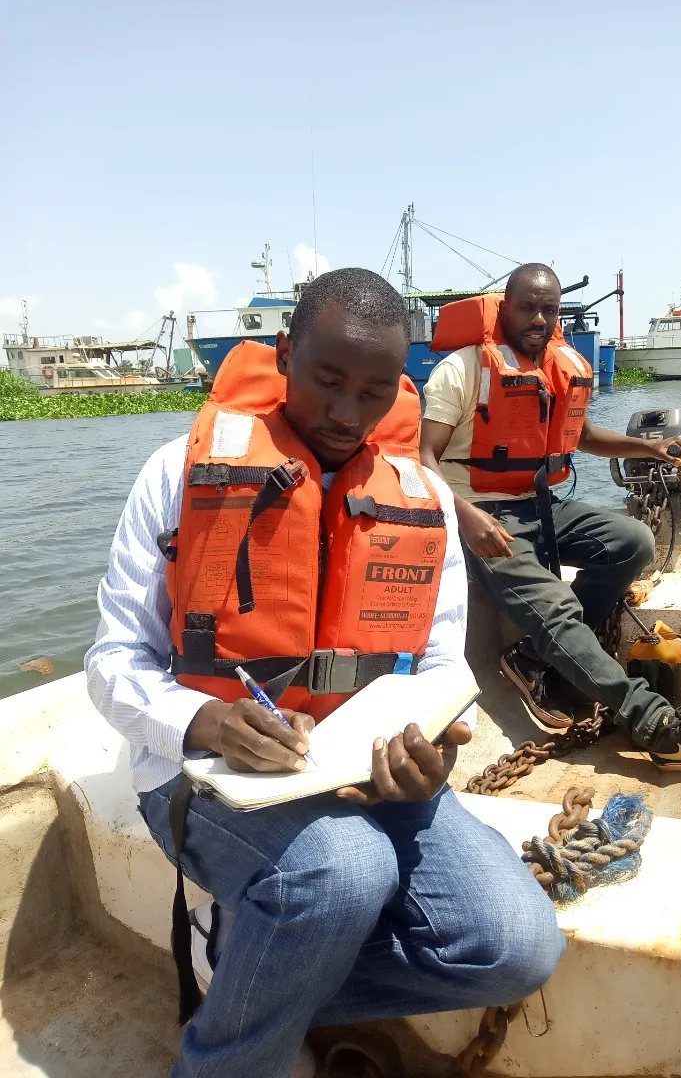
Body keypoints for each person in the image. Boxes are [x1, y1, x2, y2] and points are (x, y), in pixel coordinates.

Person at [86, 268, 565, 1078]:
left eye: (377, 392)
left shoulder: (425, 498)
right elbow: (111, 662)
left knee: (516, 946)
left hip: (372, 779)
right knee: (345, 868)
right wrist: (201, 721)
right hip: (203, 775)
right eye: (328, 381)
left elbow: (443, 661)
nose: (349, 415)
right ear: (284, 355)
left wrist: (436, 755)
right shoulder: (176, 472)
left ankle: (243, 971)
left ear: (401, 386)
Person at [420, 263, 681, 773]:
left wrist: (651, 447)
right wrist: (465, 518)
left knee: (633, 541)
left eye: (548, 310)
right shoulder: (461, 371)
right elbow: (423, 459)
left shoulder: (558, 367)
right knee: (557, 608)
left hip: (540, 507)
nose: (537, 318)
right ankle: (656, 725)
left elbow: (584, 436)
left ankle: (534, 660)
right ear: (505, 307)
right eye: (527, 307)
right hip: (484, 514)